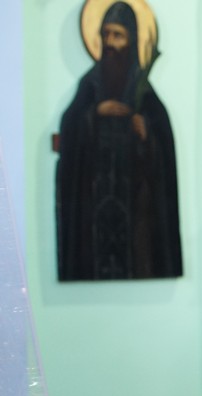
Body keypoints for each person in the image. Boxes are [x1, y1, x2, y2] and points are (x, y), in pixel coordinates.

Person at [56, 1, 181, 281]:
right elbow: (70, 131)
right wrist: (94, 114)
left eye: (118, 35)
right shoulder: (90, 86)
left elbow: (163, 147)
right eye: (106, 34)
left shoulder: (143, 91)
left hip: (135, 212)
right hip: (93, 212)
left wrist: (146, 133)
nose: (110, 43)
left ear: (132, 39)